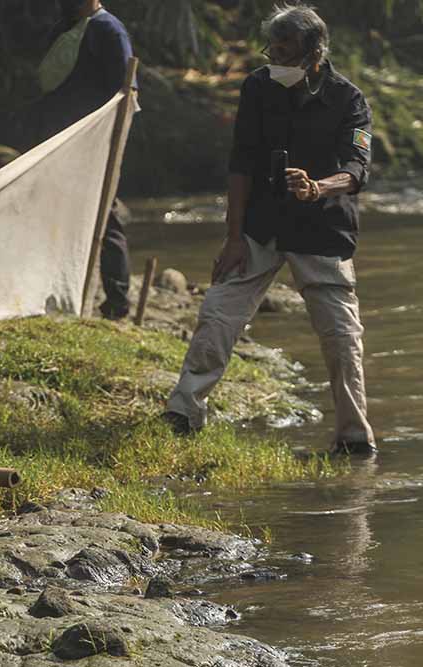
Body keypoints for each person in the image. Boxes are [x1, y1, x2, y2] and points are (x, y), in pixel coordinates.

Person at [163, 4, 376, 456]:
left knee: (341, 337)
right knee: (217, 316)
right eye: (272, 48)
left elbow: (357, 168)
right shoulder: (259, 87)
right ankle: (183, 413)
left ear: (314, 53)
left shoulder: (348, 99)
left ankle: (354, 437)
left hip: (322, 232)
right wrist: (234, 235)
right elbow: (241, 163)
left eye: (286, 50)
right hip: (259, 227)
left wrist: (318, 187)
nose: (275, 57)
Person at [35, 0, 134, 320]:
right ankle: (60, 291)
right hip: (60, 140)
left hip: (93, 143)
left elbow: (126, 94)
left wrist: (109, 143)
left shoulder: (108, 30)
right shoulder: (64, 28)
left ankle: (117, 301)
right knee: (60, 214)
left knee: (106, 216)